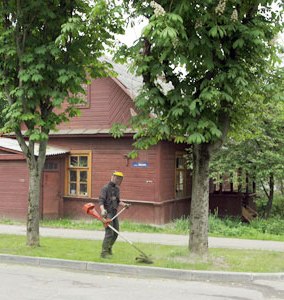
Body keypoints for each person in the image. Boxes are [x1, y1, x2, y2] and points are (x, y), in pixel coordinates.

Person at [99, 171, 129, 258]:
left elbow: (118, 200)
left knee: (116, 233)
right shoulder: (105, 188)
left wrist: (124, 204)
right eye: (117, 178)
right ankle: (104, 253)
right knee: (109, 233)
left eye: (120, 179)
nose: (119, 180)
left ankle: (109, 248)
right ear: (112, 177)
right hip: (107, 214)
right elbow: (101, 200)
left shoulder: (117, 189)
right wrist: (102, 210)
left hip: (115, 213)